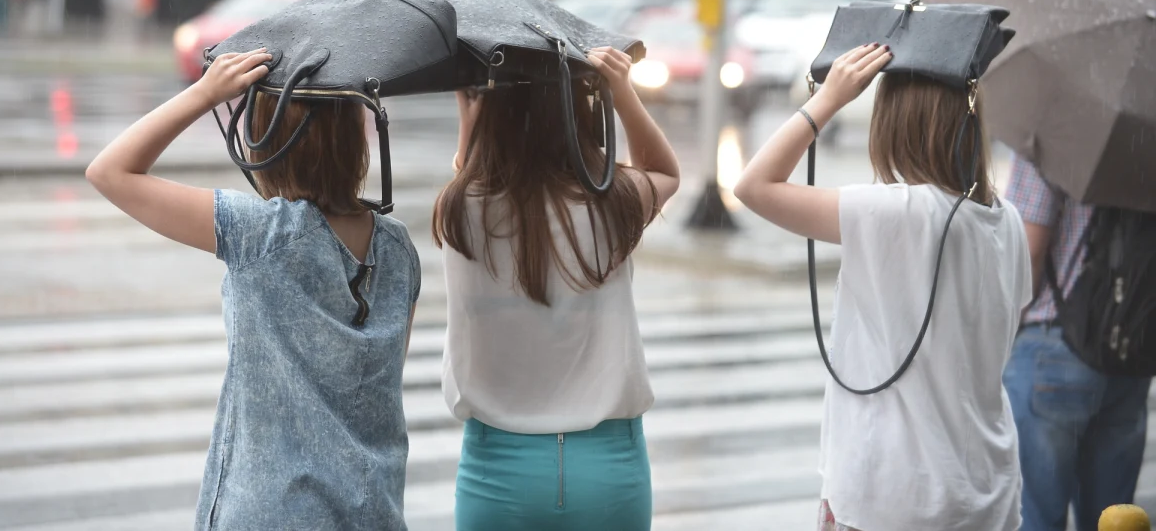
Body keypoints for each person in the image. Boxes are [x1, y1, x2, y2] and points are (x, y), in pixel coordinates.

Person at [86, 48, 421, 531]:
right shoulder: (399, 249)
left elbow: (110, 171)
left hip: (270, 512)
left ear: (268, 142)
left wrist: (205, 94)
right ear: (356, 139)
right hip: (373, 513)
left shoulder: (260, 233)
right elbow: (378, 383)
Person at [733, 44, 1031, 531]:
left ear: (894, 124)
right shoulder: (1007, 219)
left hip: (896, 496)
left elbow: (754, 187)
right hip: (987, 490)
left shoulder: (898, 212)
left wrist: (826, 100)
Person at [435, 46, 680, 531]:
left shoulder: (459, 210)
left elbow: (472, 171)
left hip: (498, 472)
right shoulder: (614, 204)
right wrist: (622, 92)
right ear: (578, 111)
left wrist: (473, 115)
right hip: (608, 470)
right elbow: (665, 172)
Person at [1003, 154, 1151, 531]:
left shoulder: (1054, 128)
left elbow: (1028, 252)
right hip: (1130, 352)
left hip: (1052, 347)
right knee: (1114, 520)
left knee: (1035, 518)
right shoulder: (1146, 130)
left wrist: (1003, 335)